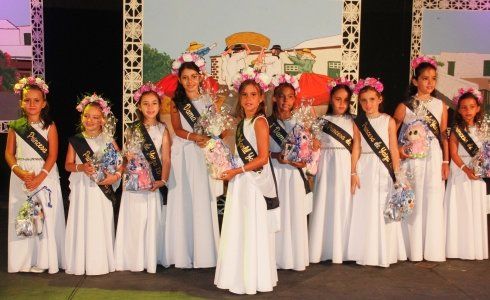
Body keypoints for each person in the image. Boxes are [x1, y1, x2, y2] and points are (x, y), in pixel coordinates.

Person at [214, 69, 279, 294]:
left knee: (251, 226)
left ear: (261, 98)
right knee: (239, 226)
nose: (249, 99)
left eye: (253, 94)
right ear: (239, 98)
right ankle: (238, 276)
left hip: (253, 183)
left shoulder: (260, 122)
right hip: (240, 180)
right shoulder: (243, 123)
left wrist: (237, 170)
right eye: (245, 95)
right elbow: (240, 155)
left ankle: (252, 278)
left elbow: (262, 158)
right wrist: (223, 164)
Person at [166, 54, 221, 268]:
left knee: (201, 197)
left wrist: (211, 137)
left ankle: (205, 252)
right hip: (184, 151)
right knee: (183, 198)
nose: (190, 81)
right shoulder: (176, 102)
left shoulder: (209, 100)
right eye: (185, 77)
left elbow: (216, 127)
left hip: (202, 152)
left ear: (200, 77)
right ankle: (182, 252)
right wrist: (195, 136)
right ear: (179, 80)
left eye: (193, 77)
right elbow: (178, 129)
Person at [6, 77, 65, 273]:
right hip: (22, 176)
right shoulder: (16, 126)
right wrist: (19, 172)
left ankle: (44, 261)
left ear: (44, 103)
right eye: (27, 100)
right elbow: (8, 153)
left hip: (44, 175)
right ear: (21, 102)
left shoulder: (49, 126)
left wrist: (40, 177)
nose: (31, 104)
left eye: (36, 100)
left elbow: (53, 154)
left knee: (44, 217)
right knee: (23, 215)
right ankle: (23, 260)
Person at [393, 56, 448, 262]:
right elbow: (393, 132)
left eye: (433, 78)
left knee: (432, 198)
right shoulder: (405, 106)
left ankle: (431, 249)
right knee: (414, 197)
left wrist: (445, 161)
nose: (430, 82)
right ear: (415, 81)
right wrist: (398, 149)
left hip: (434, 156)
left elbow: (443, 134)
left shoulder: (441, 105)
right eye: (425, 78)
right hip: (412, 158)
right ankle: (411, 249)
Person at [347, 78, 407, 267]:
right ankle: (366, 251)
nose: (368, 104)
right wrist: (353, 172)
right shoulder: (358, 122)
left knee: (382, 207)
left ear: (380, 99)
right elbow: (356, 146)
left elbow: (393, 149)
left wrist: (398, 175)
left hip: (383, 169)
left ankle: (384, 252)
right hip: (365, 167)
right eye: (363, 100)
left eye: (372, 99)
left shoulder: (388, 120)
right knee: (366, 207)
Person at [114, 83, 171, 272]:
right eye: (145, 103)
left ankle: (148, 259)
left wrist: (162, 180)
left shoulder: (163, 130)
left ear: (159, 105)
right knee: (135, 221)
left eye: (154, 103)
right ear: (139, 106)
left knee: (149, 221)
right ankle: (132, 259)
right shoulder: (132, 129)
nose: (150, 107)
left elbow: (166, 158)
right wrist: (126, 157)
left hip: (152, 183)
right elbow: (125, 155)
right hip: (134, 183)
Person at [64, 94, 122, 275]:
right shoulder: (76, 140)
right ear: (82, 116)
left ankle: (100, 262)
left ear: (103, 120)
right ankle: (79, 262)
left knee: (99, 222)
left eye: (95, 117)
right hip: (82, 188)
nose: (90, 120)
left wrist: (116, 176)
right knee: (82, 221)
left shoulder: (108, 139)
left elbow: (120, 163)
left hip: (101, 189)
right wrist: (81, 167)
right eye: (87, 116)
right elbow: (67, 165)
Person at [309, 78, 356, 264]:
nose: (341, 104)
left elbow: (357, 148)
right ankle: (321, 248)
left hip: (345, 166)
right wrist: (313, 143)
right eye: (338, 99)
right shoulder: (320, 121)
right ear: (331, 99)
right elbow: (313, 146)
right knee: (324, 203)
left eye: (346, 100)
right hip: (326, 166)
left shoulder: (354, 121)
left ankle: (342, 249)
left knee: (343, 204)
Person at [268, 74, 310, 271]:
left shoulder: (300, 124)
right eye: (281, 96)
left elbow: (305, 154)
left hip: (293, 174)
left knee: (293, 214)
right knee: (276, 214)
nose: (286, 101)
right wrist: (277, 156)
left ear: (295, 99)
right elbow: (262, 151)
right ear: (274, 98)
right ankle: (273, 257)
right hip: (275, 173)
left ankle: (293, 258)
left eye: (290, 96)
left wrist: (303, 161)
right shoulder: (265, 122)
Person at [445, 88, 488, 260]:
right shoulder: (456, 130)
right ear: (459, 110)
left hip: (477, 173)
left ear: (478, 108)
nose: (468, 111)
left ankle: (474, 249)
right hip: (460, 170)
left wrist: (481, 168)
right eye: (463, 107)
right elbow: (453, 153)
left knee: (474, 208)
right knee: (459, 207)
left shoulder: (484, 129)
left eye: (471, 107)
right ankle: (456, 249)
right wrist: (465, 169)